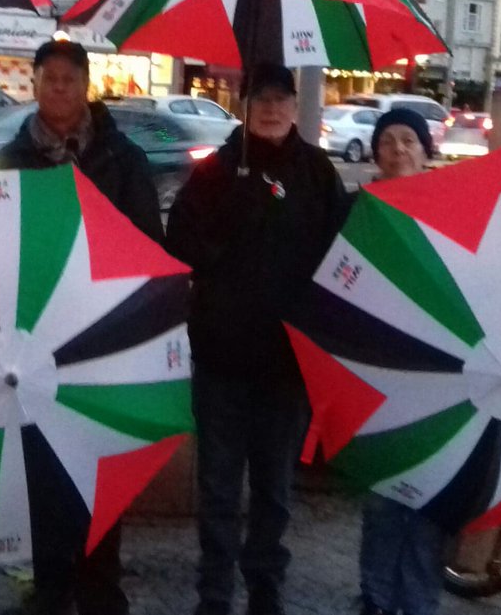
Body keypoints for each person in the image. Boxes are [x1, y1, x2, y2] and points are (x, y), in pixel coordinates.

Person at [166, 63, 347, 615]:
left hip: (286, 364)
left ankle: (265, 587)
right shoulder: (218, 170)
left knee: (273, 491)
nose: (271, 109)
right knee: (219, 490)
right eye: (260, 99)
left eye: (280, 99)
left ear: (294, 107)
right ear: (245, 105)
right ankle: (215, 593)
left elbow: (343, 256)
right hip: (223, 357)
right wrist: (226, 236)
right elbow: (180, 242)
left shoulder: (316, 173)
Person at [0, 39, 163, 615]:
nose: (59, 88)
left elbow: (147, 246)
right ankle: (51, 580)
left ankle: (100, 581)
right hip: (33, 335)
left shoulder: (122, 158)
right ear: (34, 85)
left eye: (70, 78)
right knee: (40, 462)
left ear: (85, 85)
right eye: (49, 78)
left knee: (97, 459)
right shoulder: (11, 159)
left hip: (103, 334)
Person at [356, 109, 448, 615]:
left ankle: (417, 603)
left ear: (425, 150)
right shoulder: (358, 211)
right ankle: (375, 597)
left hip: (437, 378)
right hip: (376, 374)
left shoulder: (447, 215)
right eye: (387, 141)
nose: (397, 149)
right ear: (375, 153)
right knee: (382, 501)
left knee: (429, 503)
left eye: (408, 140)